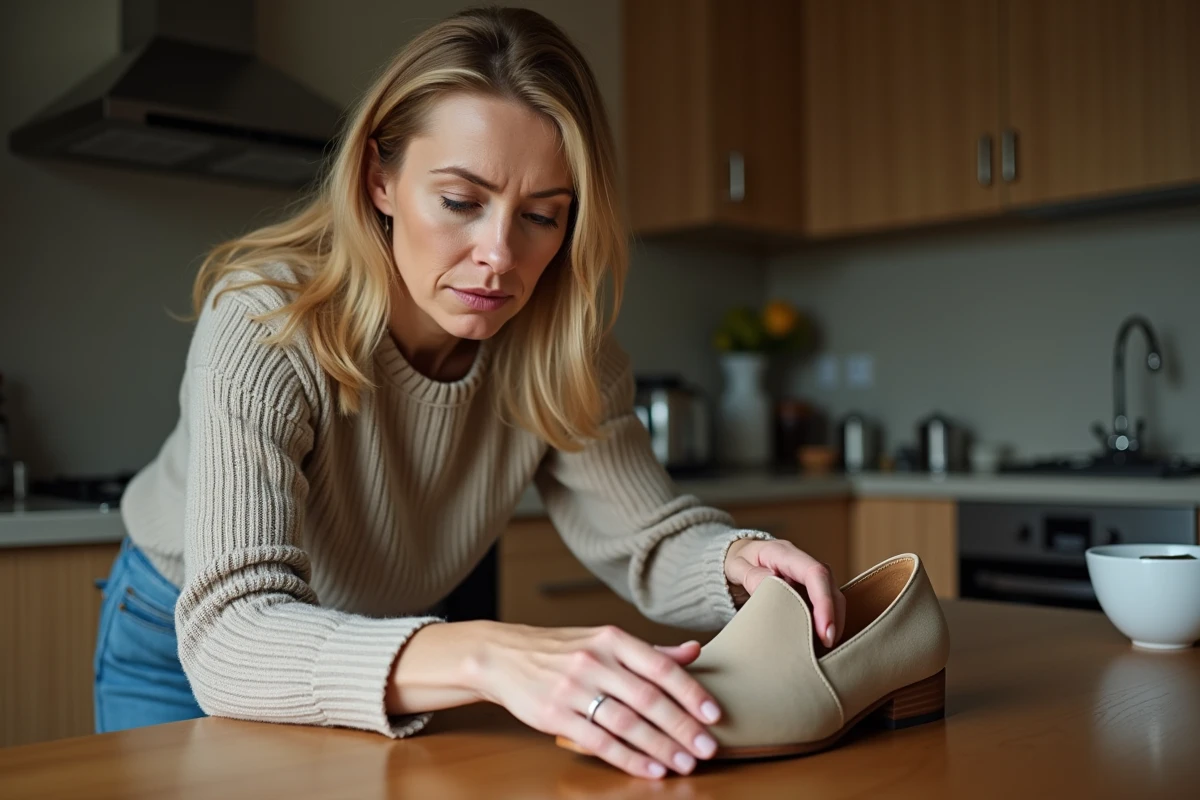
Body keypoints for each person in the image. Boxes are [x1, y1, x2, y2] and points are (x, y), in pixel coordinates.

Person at [93, 6, 846, 780]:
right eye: (459, 202)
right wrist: (490, 652)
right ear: (378, 178)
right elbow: (230, 634)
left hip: (385, 641)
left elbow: (647, 536)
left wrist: (738, 561)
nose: (498, 256)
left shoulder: (563, 350)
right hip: (184, 639)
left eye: (542, 216)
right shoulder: (267, 323)